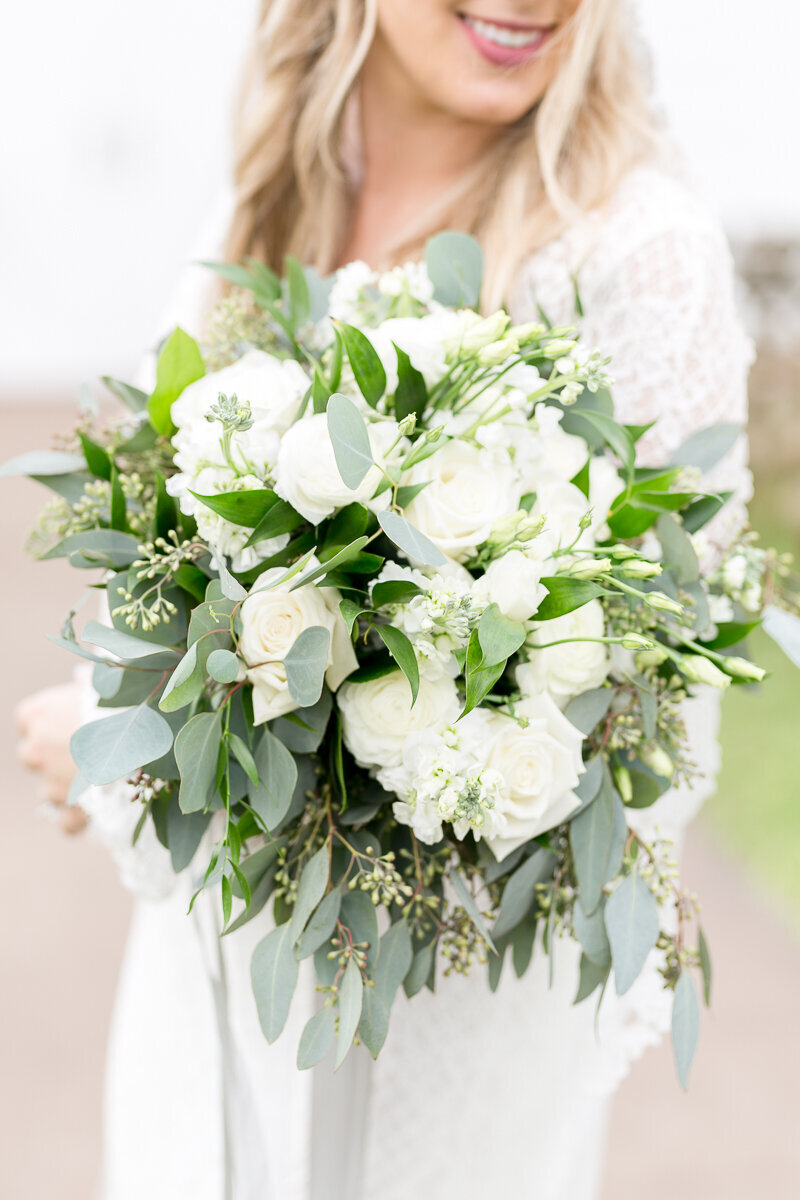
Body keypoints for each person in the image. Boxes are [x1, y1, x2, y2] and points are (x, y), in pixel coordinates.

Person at [16, 2, 752, 1197]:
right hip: (211, 1002)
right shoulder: (268, 201)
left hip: (438, 1039)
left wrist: (121, 777)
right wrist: (135, 704)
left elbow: (640, 729)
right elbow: (195, 584)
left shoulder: (635, 253)